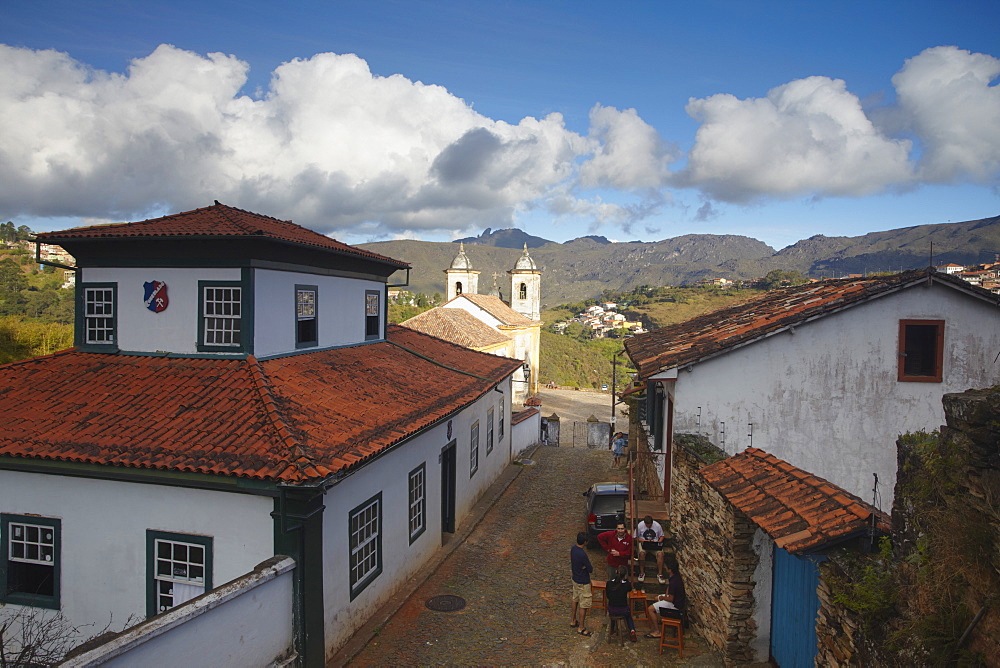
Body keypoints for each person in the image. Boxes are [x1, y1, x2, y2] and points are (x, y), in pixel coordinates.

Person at [645, 560, 687, 638]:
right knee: (656, 598)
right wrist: (664, 596)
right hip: (675, 600)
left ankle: (657, 631)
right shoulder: (675, 576)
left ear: (670, 569)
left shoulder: (674, 581)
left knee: (650, 609)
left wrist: (662, 597)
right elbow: (669, 588)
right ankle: (659, 621)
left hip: (675, 605)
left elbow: (670, 599)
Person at [570, 531, 594, 636]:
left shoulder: (573, 549)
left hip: (575, 578)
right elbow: (590, 569)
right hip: (583, 581)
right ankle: (581, 627)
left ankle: (573, 620)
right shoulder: (582, 554)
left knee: (575, 599)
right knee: (583, 605)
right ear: (585, 542)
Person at [606, 565, 638, 642]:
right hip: (623, 610)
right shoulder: (626, 585)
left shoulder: (609, 583)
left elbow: (608, 596)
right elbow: (630, 589)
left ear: (616, 572)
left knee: (613, 609)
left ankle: (612, 629)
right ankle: (632, 631)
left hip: (612, 609)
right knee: (628, 616)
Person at [633, 514, 665, 583]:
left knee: (660, 554)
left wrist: (658, 542)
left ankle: (660, 574)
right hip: (644, 543)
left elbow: (662, 536)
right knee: (641, 553)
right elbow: (635, 537)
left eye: (650, 525)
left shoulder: (657, 526)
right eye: (647, 525)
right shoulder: (640, 526)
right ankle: (642, 573)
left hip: (655, 544)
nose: (649, 526)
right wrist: (645, 541)